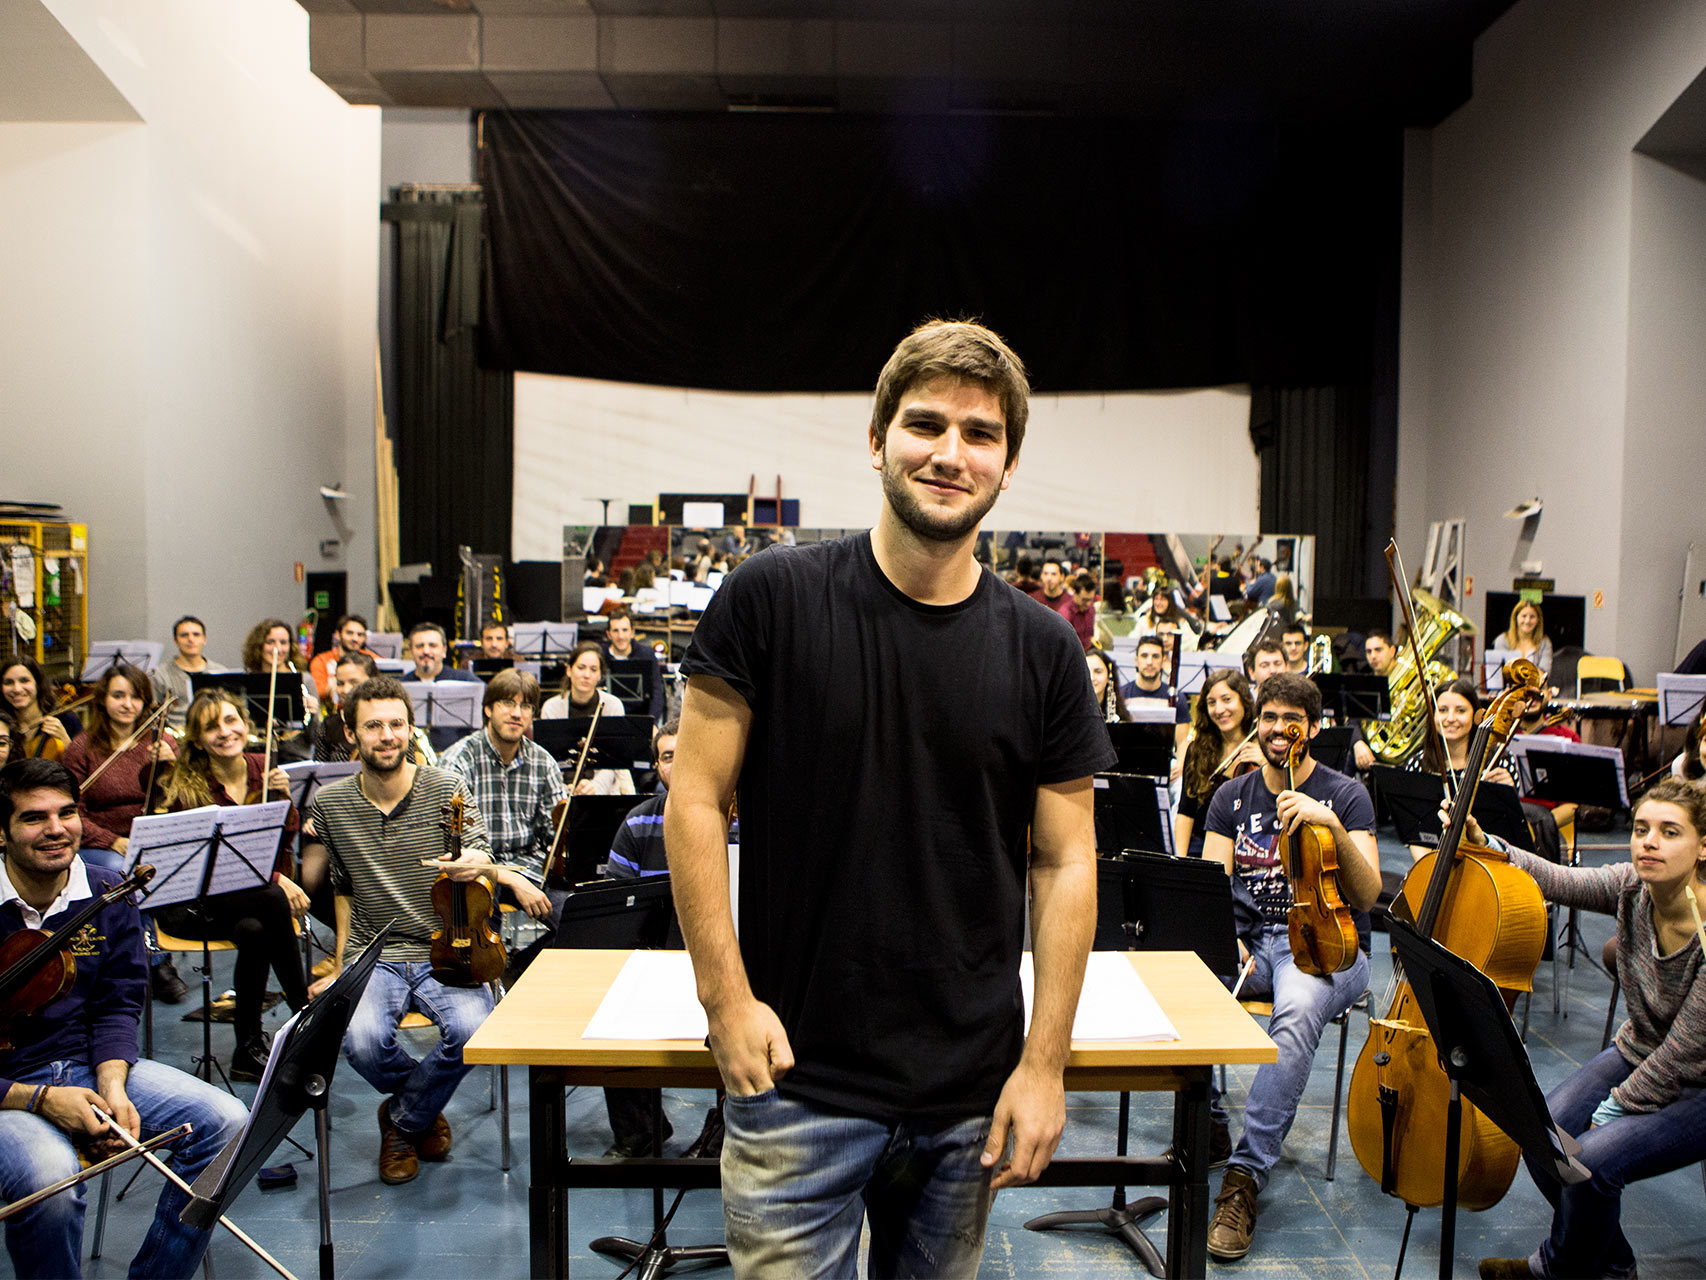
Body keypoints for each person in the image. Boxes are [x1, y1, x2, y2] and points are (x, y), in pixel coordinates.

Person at [667, 319, 1112, 1277]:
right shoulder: (769, 601)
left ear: (1009, 463)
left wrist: (1045, 1065)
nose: (950, 453)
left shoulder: (1044, 653)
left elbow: (1066, 859)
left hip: (969, 1103)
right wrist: (724, 1001)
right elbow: (696, 799)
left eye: (980, 434)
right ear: (877, 441)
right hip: (796, 1091)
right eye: (925, 425)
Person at [0, 757, 248, 1280]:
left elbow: (117, 1004)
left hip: (88, 1065)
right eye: (33, 817)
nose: (56, 830)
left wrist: (113, 1084)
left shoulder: (108, 891)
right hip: (8, 1088)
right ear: (2, 832)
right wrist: (40, 1099)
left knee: (227, 1124)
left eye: (67, 813)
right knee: (51, 1177)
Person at [1473, 778, 1706, 1280]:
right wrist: (1489, 845)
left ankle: (1554, 1270)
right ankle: (1611, 1267)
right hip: (1641, 1051)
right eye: (1641, 828)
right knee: (1542, 1137)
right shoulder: (1633, 888)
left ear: (1702, 845)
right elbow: (1555, 879)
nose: (1649, 841)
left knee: (1591, 1162)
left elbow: (1685, 1052)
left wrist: (1614, 1108)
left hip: (1698, 1081)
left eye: (1669, 832)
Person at [1200, 671, 1381, 1261]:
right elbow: (1210, 887)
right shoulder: (1231, 797)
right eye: (1270, 718)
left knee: (1298, 1009)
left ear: (1314, 727)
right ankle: (1209, 1123)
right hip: (1253, 945)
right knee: (1187, 986)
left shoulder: (1347, 794)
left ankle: (1243, 1179)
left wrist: (1329, 825)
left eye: (1292, 721)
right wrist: (1227, 940)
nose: (1279, 731)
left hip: (1329, 944)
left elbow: (1370, 891)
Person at [302, 675, 497, 1187]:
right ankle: (424, 1109)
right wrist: (341, 963)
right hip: (376, 951)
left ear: (410, 729)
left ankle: (402, 1121)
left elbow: (484, 855)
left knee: (477, 1031)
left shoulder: (445, 788)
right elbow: (336, 887)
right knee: (361, 1042)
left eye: (396, 724)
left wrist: (474, 862)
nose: (387, 735)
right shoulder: (331, 805)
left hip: (446, 946)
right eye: (373, 726)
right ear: (351, 734)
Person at [154, 691, 310, 1079]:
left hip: (250, 906)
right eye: (211, 726)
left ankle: (247, 1048)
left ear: (245, 723)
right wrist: (275, 880)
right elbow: (208, 869)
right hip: (194, 906)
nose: (225, 732)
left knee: (254, 931)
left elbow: (280, 845)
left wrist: (283, 799)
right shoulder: (186, 787)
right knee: (273, 895)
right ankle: (304, 1009)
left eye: (231, 720)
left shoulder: (265, 767)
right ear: (197, 738)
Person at [436, 668, 560, 924]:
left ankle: (526, 963)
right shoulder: (458, 761)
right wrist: (509, 877)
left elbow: (552, 835)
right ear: (488, 709)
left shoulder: (543, 762)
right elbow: (451, 846)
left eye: (526, 706)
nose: (517, 713)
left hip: (531, 868)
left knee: (577, 917)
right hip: (475, 873)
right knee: (480, 908)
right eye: (507, 703)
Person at [61, 662, 177, 873]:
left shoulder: (162, 741)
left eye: (135, 697)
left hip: (151, 841)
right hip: (100, 845)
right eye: (118, 696)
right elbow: (72, 812)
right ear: (103, 700)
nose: (127, 704)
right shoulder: (81, 747)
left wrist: (173, 766)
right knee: (121, 868)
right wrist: (113, 841)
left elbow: (183, 800)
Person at [1403, 679, 1518, 862]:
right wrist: (1427, 871)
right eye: (1442, 710)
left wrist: (1508, 794)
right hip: (1431, 861)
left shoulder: (1500, 761)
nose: (1450, 718)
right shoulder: (1418, 764)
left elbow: (1513, 830)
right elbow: (1414, 834)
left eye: (1461, 711)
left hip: (1489, 861)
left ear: (1476, 715)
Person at [1173, 669, 1259, 858]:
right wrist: (1179, 860)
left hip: (1249, 848)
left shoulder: (1261, 749)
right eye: (1212, 703)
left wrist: (1264, 764)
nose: (1219, 710)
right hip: (1201, 847)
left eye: (1227, 699)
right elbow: (1186, 812)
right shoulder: (1196, 750)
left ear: (1244, 700)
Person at [540, 641, 632, 795]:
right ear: (569, 670)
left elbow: (613, 762)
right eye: (581, 668)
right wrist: (563, 789)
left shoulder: (613, 705)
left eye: (593, 669)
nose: (587, 675)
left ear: (600, 675)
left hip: (603, 790)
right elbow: (549, 761)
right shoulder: (551, 707)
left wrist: (595, 787)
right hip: (562, 789)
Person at [400, 622, 481, 752]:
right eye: (419, 646)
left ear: (444, 651)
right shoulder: (399, 687)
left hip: (457, 755)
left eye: (432, 646)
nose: (426, 651)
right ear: (411, 651)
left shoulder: (466, 680)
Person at [241, 618, 321, 742]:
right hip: (257, 752)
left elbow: (314, 737)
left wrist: (314, 714)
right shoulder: (247, 680)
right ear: (259, 646)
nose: (277, 648)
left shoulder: (305, 679)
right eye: (270, 642)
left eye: (283, 642)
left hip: (296, 755)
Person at [150, 615, 226, 731]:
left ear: (204, 639)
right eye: (184, 635)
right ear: (175, 640)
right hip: (175, 735)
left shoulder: (220, 672)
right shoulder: (159, 674)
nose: (191, 639)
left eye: (196, 634)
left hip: (213, 732)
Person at [2, 658, 80, 761]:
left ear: (38, 684)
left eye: (24, 680)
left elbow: (85, 767)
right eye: (8, 682)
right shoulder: (3, 724)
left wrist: (66, 741)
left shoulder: (67, 720)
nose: (17, 689)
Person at [603, 609, 666, 721]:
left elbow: (656, 693)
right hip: (609, 717)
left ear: (632, 633)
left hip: (640, 717)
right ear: (608, 634)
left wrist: (650, 721)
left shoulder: (647, 654)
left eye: (625, 630)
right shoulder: (600, 655)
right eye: (615, 631)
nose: (621, 636)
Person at [309, 613, 378, 707]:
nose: (355, 638)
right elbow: (315, 691)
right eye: (349, 633)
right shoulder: (321, 660)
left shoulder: (372, 659)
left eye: (360, 634)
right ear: (338, 634)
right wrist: (333, 687)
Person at [1490, 600, 1554, 678]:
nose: (1527, 621)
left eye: (1532, 617)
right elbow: (1496, 674)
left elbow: (1544, 675)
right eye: (1524, 616)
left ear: (1538, 620)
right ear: (1515, 617)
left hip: (1534, 689)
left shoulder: (1545, 643)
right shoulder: (1502, 640)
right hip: (1507, 689)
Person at [1054, 571, 1098, 651]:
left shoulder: (1091, 608)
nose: (1088, 604)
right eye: (1084, 600)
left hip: (1089, 652)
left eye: (1091, 600)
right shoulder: (1065, 613)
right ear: (1074, 593)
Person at [1085, 648, 1130, 724]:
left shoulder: (1120, 717)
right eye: (1087, 672)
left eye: (1098, 672)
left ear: (1109, 677)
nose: (1092, 678)